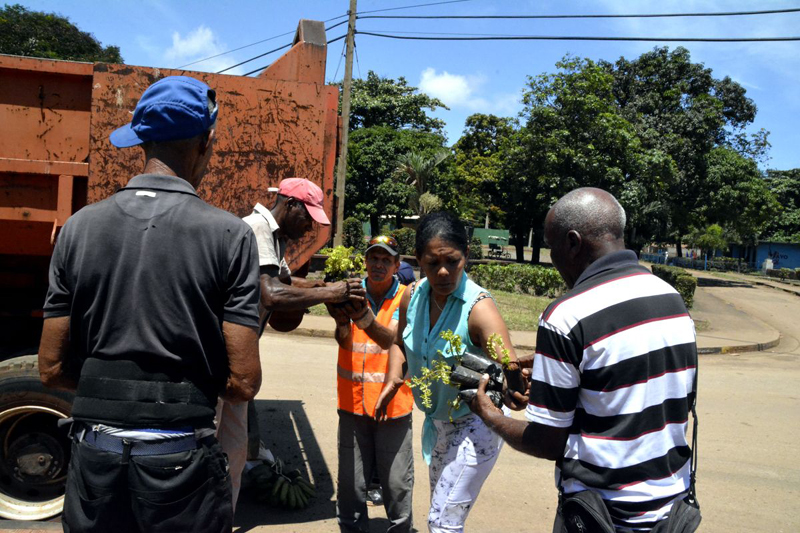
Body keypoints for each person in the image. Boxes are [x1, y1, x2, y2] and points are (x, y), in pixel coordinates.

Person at [38, 76, 261, 532]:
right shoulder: (230, 235)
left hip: (95, 462)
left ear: (141, 139)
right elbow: (242, 382)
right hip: (180, 466)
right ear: (207, 141)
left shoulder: (79, 228)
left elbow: (50, 368)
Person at [469, 188, 700, 532]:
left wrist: (490, 414)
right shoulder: (671, 299)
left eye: (552, 247)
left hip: (603, 516)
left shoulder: (566, 315)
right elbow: (649, 393)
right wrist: (556, 370)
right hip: (672, 512)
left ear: (573, 243)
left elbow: (548, 441)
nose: (552, 258)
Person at [216, 177, 366, 509]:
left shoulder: (276, 238)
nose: (310, 226)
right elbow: (270, 292)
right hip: (219, 357)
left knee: (235, 448)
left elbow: (285, 280)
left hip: (238, 359)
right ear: (290, 205)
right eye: (308, 217)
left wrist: (321, 286)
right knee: (207, 444)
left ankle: (220, 517)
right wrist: (332, 292)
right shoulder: (256, 228)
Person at [374, 212, 526, 533]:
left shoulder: (478, 308)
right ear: (418, 260)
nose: (443, 271)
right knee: (441, 514)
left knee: (442, 522)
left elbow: (508, 362)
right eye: (432, 263)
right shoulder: (411, 296)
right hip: (439, 424)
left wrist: (516, 383)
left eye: (452, 261)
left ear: (466, 255)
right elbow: (400, 343)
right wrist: (392, 380)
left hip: (477, 425)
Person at [326, 234, 415, 533]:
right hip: (351, 403)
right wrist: (341, 322)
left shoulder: (406, 297)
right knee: (351, 486)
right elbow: (343, 340)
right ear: (365, 261)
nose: (378, 265)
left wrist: (362, 316)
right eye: (373, 258)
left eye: (385, 260)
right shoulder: (350, 292)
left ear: (396, 265)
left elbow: (392, 340)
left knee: (395, 484)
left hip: (393, 405)